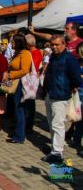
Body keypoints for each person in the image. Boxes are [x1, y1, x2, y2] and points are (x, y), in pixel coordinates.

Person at [42, 34, 82, 163]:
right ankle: (55, 148)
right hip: (50, 94)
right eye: (52, 45)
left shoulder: (69, 59)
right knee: (52, 124)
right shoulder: (53, 57)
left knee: (57, 124)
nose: (54, 47)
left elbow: (76, 78)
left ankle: (57, 153)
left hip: (61, 95)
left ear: (64, 44)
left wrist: (70, 88)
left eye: (57, 45)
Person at [4, 34, 31, 144]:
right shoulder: (17, 54)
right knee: (16, 109)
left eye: (13, 42)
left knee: (19, 109)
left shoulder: (25, 54)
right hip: (15, 83)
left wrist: (10, 75)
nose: (11, 44)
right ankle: (17, 131)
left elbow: (24, 70)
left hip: (20, 84)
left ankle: (19, 136)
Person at [25, 34, 43, 134]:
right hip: (29, 80)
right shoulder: (32, 52)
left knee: (30, 104)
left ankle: (29, 125)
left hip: (31, 81)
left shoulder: (35, 53)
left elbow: (33, 67)